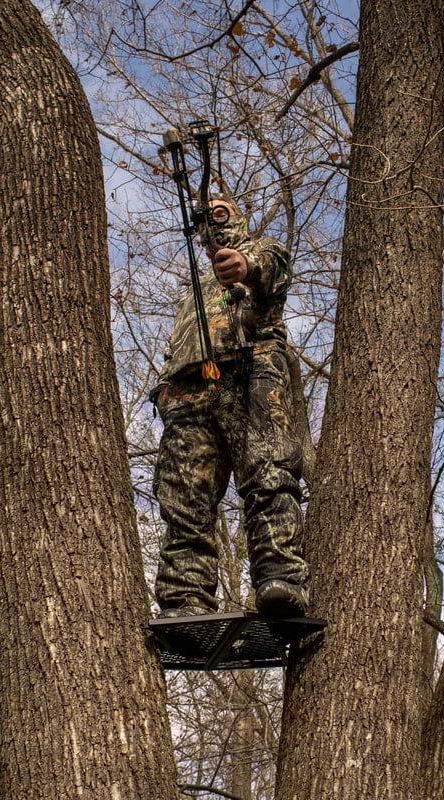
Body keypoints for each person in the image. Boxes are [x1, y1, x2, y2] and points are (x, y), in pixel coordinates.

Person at [150, 195, 309, 618]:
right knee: (185, 499)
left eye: (220, 212)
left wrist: (243, 264)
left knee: (268, 473)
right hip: (189, 394)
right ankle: (186, 597)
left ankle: (280, 580)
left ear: (238, 217)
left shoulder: (261, 252)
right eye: (203, 217)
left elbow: (267, 266)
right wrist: (166, 390)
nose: (211, 221)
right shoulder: (196, 292)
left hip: (250, 374)